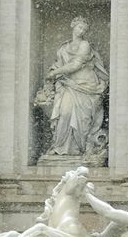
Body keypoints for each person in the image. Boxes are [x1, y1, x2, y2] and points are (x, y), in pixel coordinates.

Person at [44, 16, 109, 158]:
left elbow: (76, 65)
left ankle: (80, 148)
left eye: (85, 29)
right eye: (80, 27)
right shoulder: (63, 47)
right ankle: (60, 147)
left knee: (83, 120)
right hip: (69, 85)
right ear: (73, 26)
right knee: (65, 113)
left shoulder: (85, 45)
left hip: (87, 86)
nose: (81, 31)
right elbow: (59, 64)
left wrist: (55, 73)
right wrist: (53, 71)